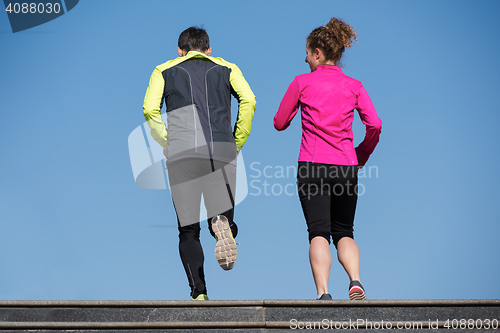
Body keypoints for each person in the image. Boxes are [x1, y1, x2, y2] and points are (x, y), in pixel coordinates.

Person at [143, 27, 256, 300]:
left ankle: (199, 294)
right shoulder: (228, 68)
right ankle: (221, 222)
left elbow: (149, 109)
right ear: (209, 50)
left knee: (188, 229)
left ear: (179, 51)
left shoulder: (163, 70)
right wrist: (236, 141)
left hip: (182, 153)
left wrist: (166, 142)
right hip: (221, 149)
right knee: (222, 214)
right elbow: (249, 100)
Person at [273, 18, 382, 300]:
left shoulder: (301, 82)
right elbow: (375, 125)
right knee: (344, 231)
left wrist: (300, 106)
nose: (305, 58)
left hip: (311, 166)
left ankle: (323, 293)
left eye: (307, 53)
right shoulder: (354, 86)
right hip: (346, 166)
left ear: (318, 53)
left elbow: (279, 122)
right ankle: (356, 281)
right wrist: (362, 153)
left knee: (318, 232)